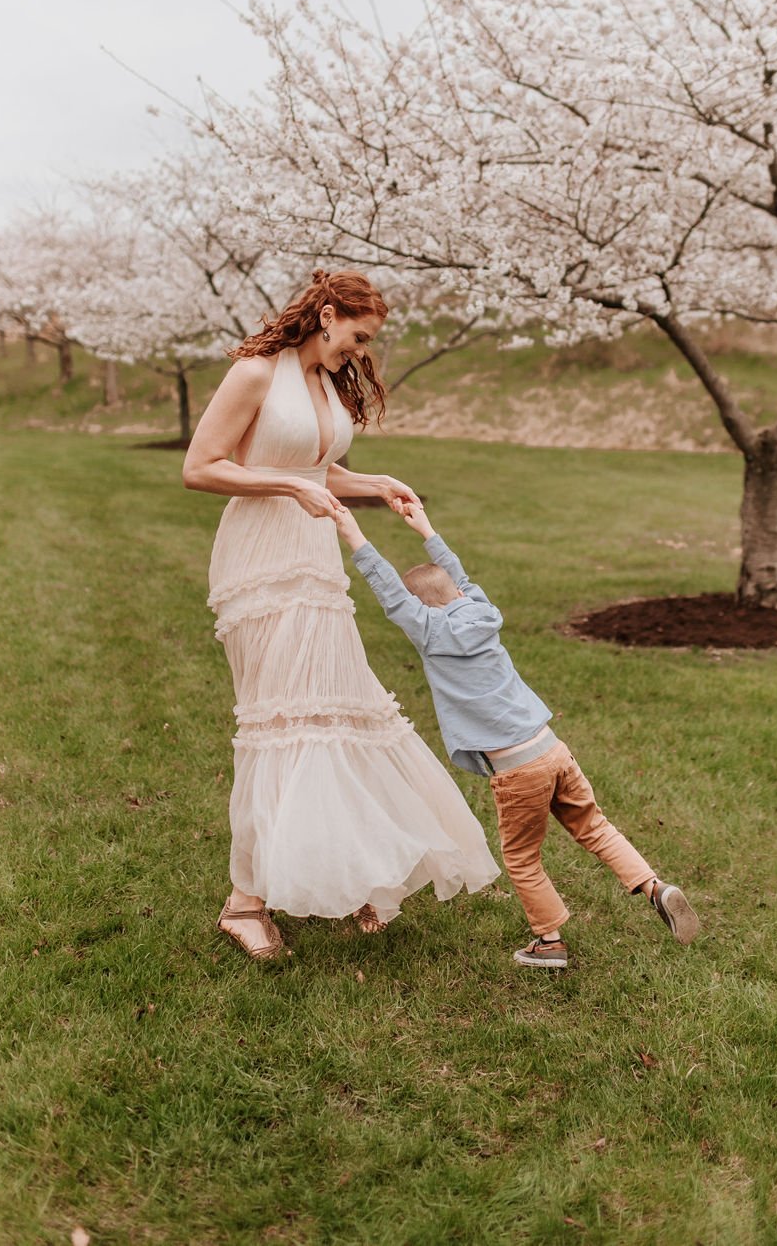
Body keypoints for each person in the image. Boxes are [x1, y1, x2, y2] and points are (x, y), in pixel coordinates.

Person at [183, 270, 499, 960]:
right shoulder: (254, 374)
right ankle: (244, 904)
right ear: (326, 315)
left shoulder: (326, 381)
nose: (360, 352)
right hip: (260, 559)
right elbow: (202, 467)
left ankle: (344, 872)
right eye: (357, 336)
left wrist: (372, 484)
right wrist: (290, 488)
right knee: (280, 717)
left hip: (315, 559)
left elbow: (317, 471)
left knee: (337, 709)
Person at [334, 499, 700, 970]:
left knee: (523, 858)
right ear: (460, 595)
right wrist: (424, 527)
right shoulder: (482, 611)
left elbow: (391, 593)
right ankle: (654, 886)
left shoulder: (426, 629)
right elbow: (457, 577)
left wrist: (354, 535)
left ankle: (549, 943)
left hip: (516, 768)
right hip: (552, 748)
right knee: (595, 827)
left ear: (419, 609)